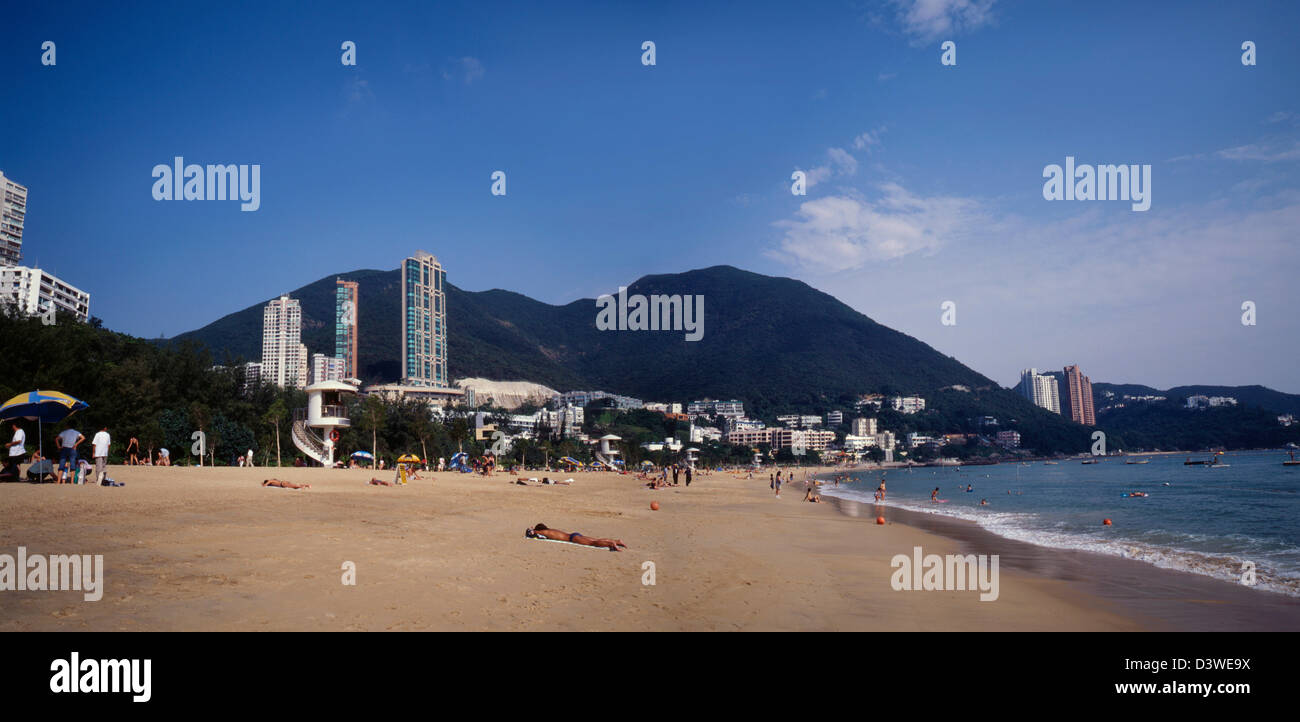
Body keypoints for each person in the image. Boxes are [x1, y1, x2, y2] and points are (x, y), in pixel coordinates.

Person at [526, 523, 627, 551]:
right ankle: (616, 541)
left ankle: (611, 543)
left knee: (593, 543)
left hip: (573, 539)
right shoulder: (550, 530)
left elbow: (530, 532)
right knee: (595, 540)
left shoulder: (544, 532)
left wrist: (533, 529)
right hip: (574, 535)